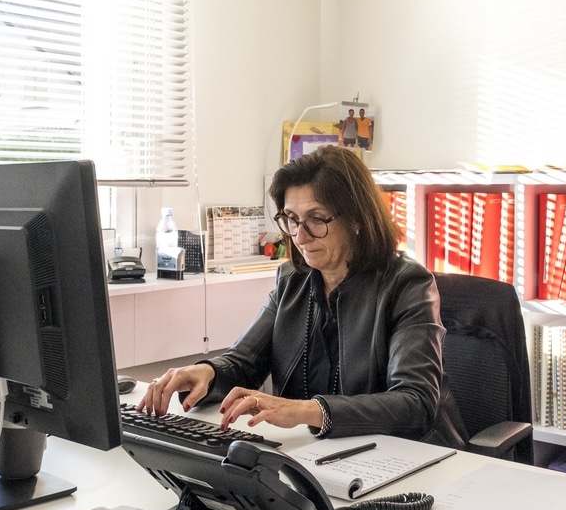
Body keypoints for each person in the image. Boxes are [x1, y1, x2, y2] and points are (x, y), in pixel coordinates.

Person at [139, 144, 466, 448]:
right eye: (291, 219)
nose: (299, 236)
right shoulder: (292, 279)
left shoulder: (407, 284)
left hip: (406, 457)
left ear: (356, 219)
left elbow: (416, 402)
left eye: (315, 219)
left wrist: (307, 411)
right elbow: (244, 362)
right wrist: (207, 372)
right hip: (318, 452)